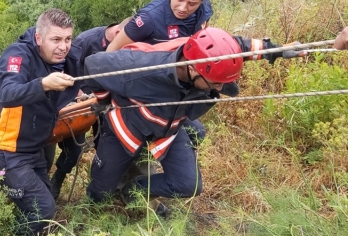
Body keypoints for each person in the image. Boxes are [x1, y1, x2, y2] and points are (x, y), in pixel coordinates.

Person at [84, 27, 306, 209]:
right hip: (127, 125)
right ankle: (109, 180)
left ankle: (135, 190)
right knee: (100, 193)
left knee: (188, 184)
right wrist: (103, 100)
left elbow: (241, 47)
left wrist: (277, 50)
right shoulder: (141, 68)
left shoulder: (204, 54)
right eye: (215, 83)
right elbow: (93, 66)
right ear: (192, 68)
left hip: (169, 128)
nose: (220, 88)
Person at [0, 8, 81, 236]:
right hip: (5, 149)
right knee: (43, 209)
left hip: (32, 148)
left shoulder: (64, 58)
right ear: (38, 38)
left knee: (43, 200)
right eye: (55, 39)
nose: (63, 47)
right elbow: (6, 94)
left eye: (67, 39)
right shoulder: (18, 54)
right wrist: (43, 84)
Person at [48, 17, 130, 200]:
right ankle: (58, 178)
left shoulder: (130, 43)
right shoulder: (86, 41)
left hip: (108, 102)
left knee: (107, 147)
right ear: (118, 34)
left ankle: (104, 188)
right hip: (81, 105)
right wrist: (75, 90)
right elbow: (63, 67)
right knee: (74, 150)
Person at [107, 0, 214, 51]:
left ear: (202, 0)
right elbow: (113, 49)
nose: (183, 8)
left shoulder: (205, 6)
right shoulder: (147, 19)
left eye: (192, 4)